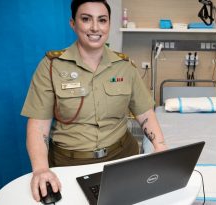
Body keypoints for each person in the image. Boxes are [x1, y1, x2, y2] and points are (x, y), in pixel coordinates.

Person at [21, 0, 167, 202]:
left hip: (122, 158)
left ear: (109, 24)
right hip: (69, 164)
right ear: (73, 23)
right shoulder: (51, 67)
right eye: (86, 19)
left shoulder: (125, 66)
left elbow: (144, 113)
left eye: (102, 20)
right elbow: (38, 126)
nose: (95, 27)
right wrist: (40, 170)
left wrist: (160, 149)